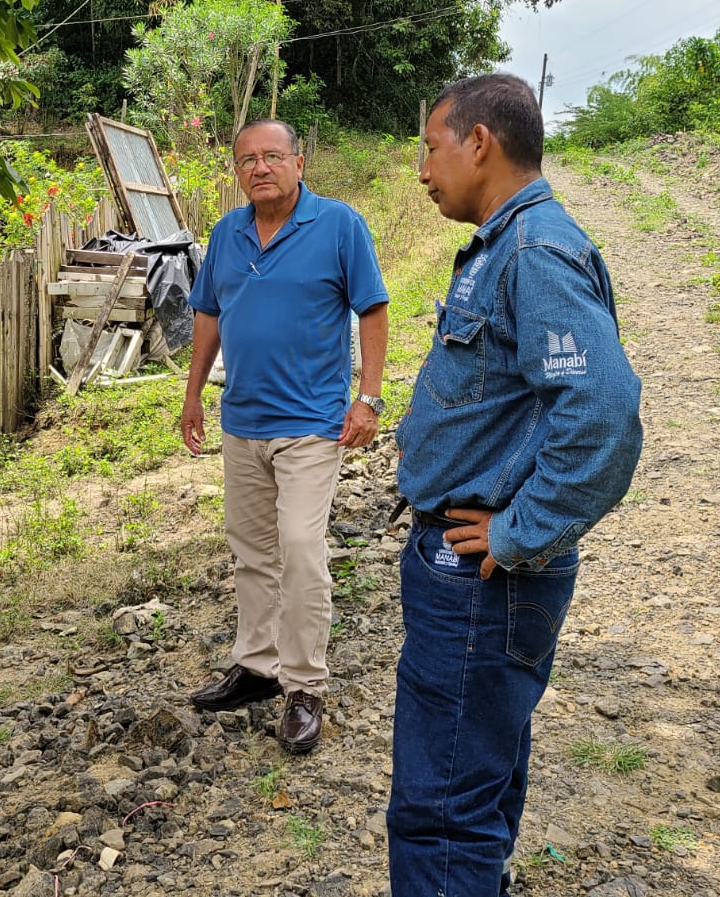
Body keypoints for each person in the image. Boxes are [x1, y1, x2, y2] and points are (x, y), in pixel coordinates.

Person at [387, 75, 643, 895]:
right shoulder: (507, 245)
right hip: (470, 579)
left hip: (480, 581)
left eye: (431, 148)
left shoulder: (533, 252)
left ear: (479, 143)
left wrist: (521, 530)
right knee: (474, 782)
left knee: (443, 810)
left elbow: (603, 412)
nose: (423, 170)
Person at [180, 118, 389, 754]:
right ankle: (257, 666)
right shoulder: (227, 233)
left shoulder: (338, 225)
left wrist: (368, 398)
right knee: (251, 551)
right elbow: (209, 314)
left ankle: (304, 686)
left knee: (300, 549)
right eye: (247, 160)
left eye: (272, 156)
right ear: (236, 171)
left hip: (311, 425)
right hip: (242, 421)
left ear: (300, 162)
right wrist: (192, 393)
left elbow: (372, 308)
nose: (260, 168)